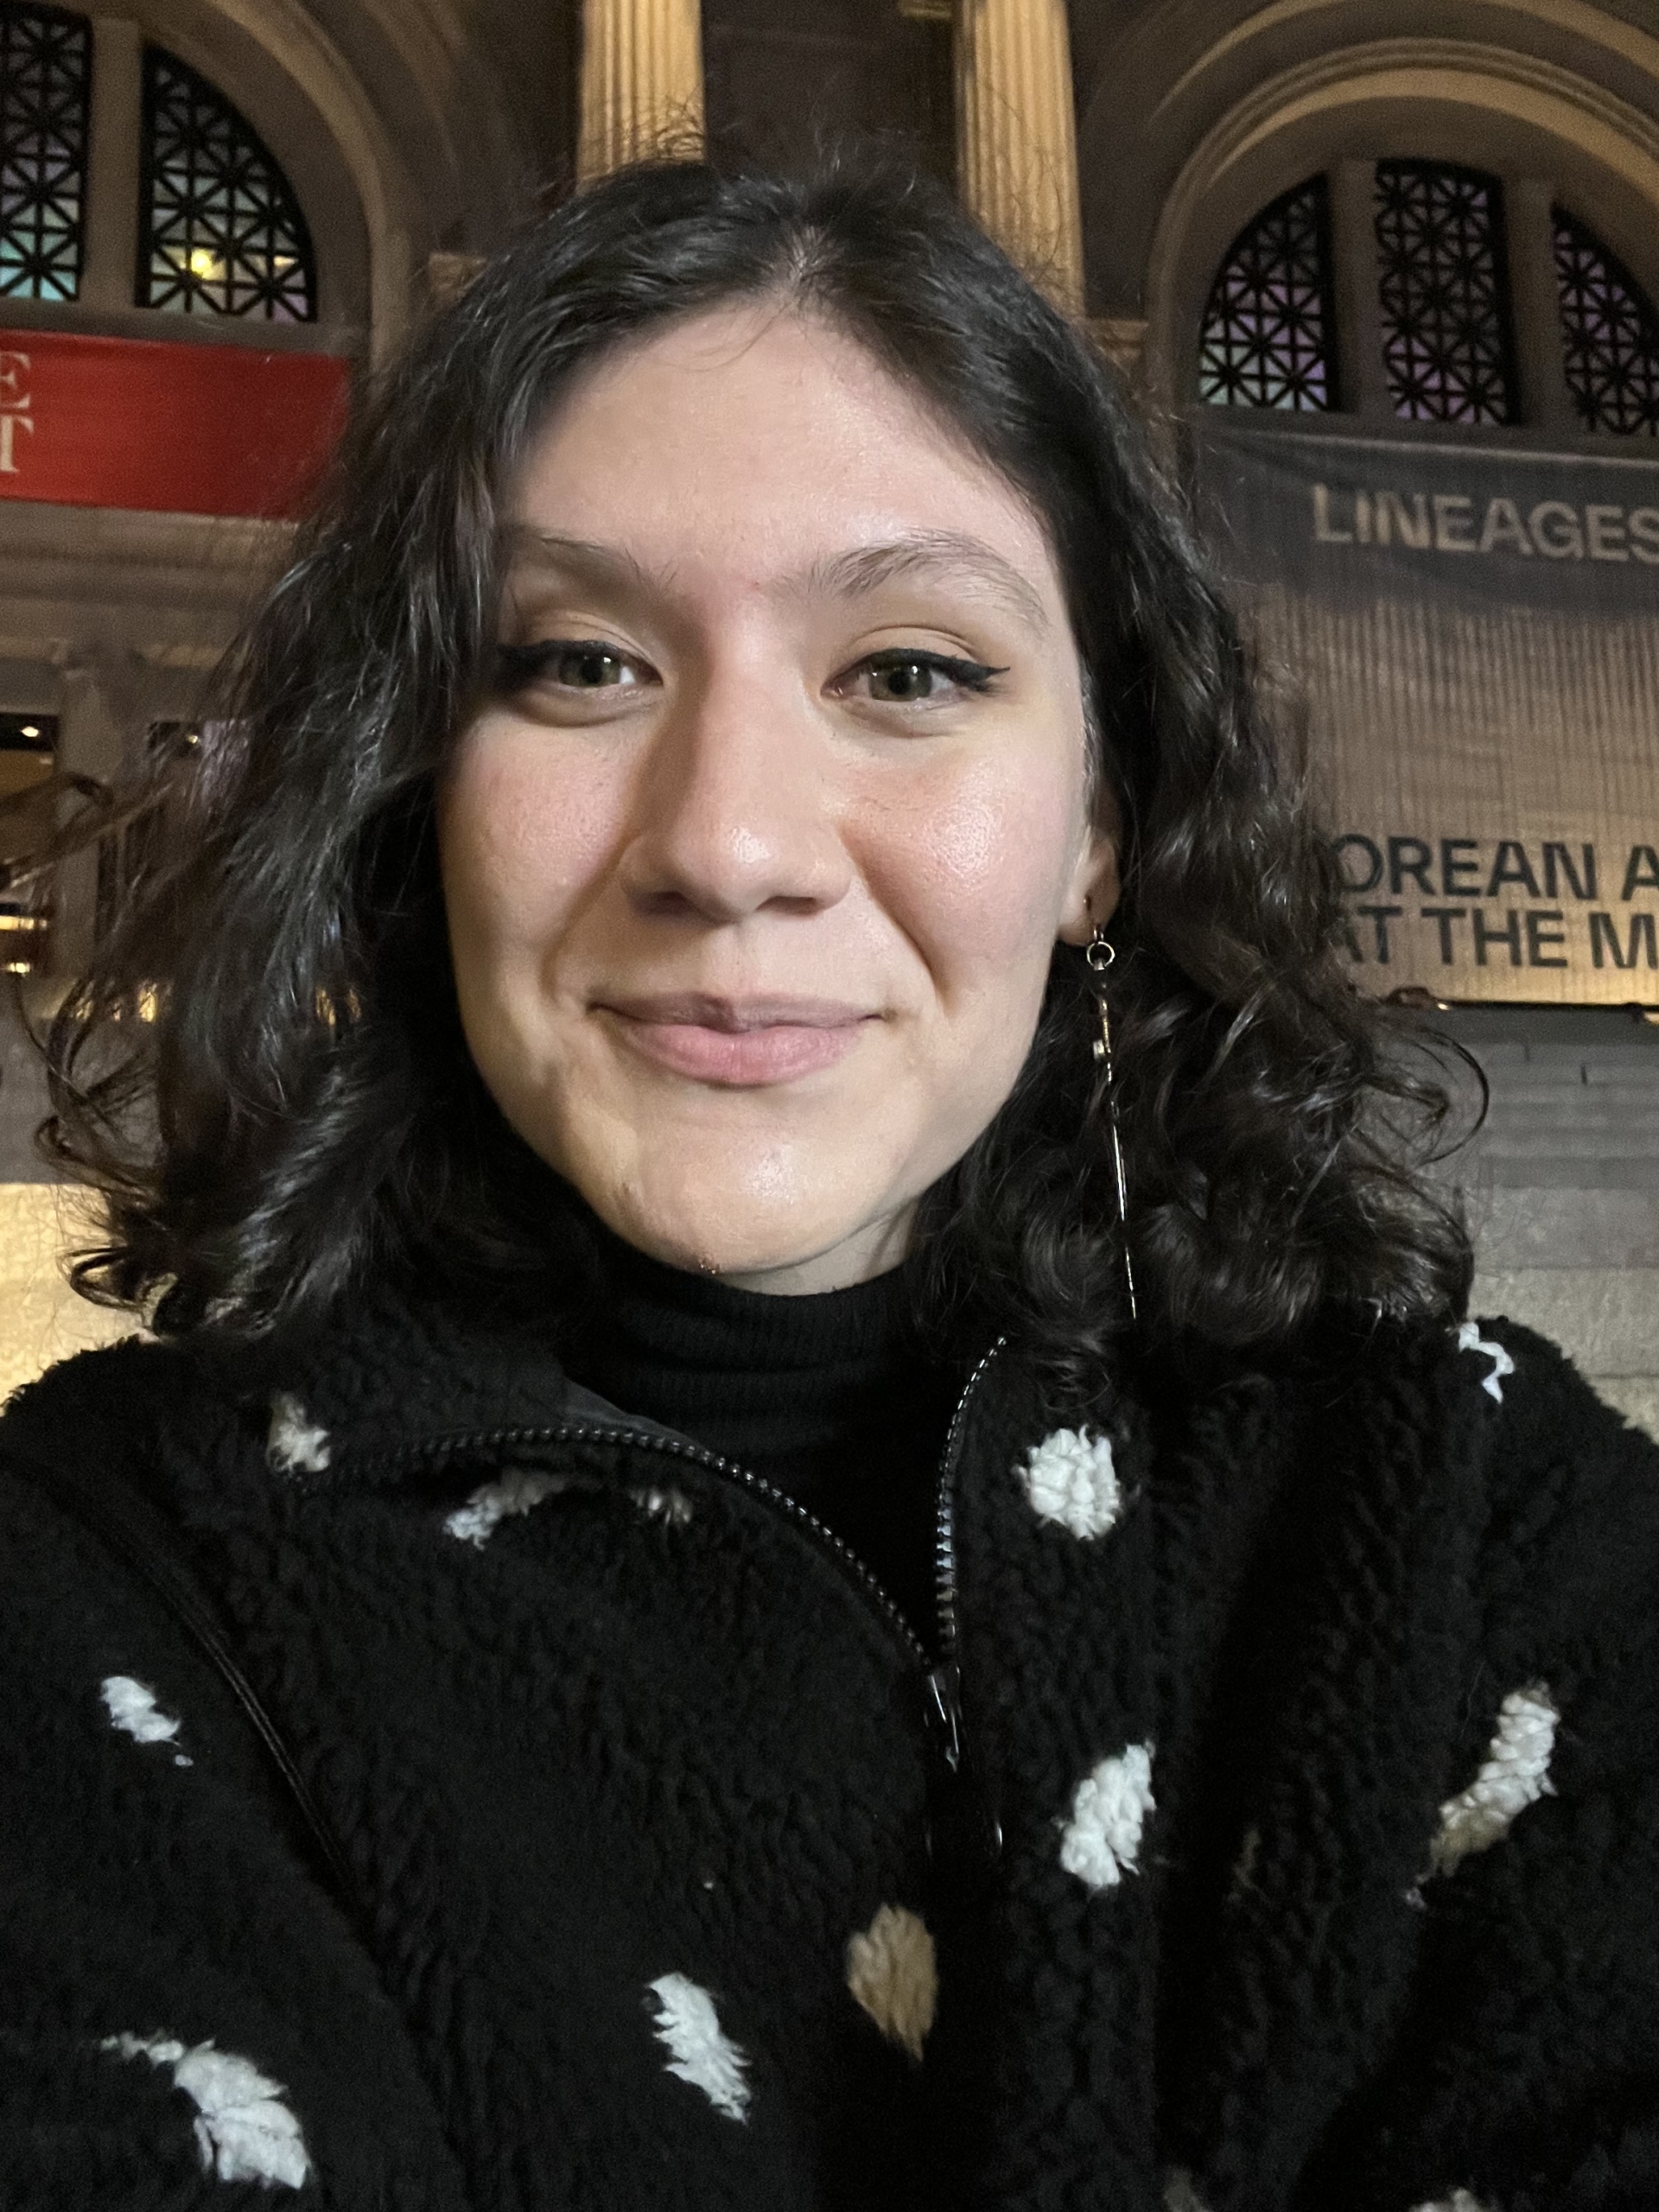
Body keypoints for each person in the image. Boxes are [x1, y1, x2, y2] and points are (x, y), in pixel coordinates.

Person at [3, 153, 1656, 2212]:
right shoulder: (96, 1574)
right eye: (578, 660)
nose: (729, 843)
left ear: (1100, 827)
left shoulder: (1463, 1520)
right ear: (416, 783)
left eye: (910, 671)